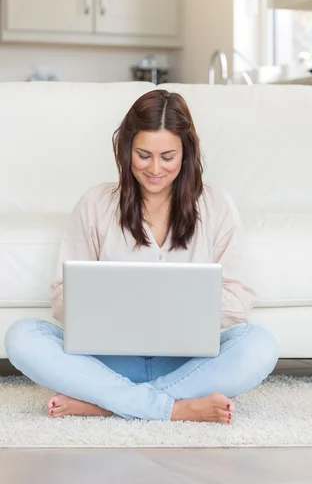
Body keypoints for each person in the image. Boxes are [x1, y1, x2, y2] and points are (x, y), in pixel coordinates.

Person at [5, 90, 279, 424]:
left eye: (167, 156)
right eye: (143, 155)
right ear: (127, 150)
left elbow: (239, 296)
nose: (154, 169)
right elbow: (63, 296)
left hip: (185, 361)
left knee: (259, 345)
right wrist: (113, 309)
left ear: (186, 152)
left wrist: (172, 310)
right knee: (22, 337)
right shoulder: (95, 203)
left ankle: (109, 403)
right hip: (109, 359)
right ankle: (172, 407)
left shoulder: (216, 205)